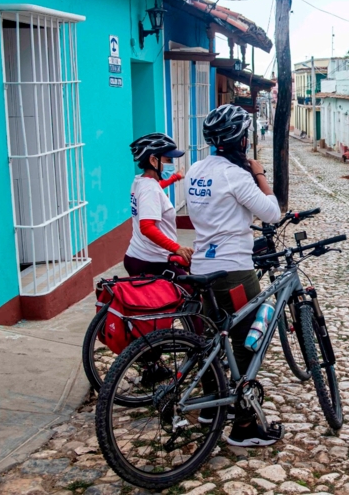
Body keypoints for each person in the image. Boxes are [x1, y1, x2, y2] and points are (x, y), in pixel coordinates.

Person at [186, 104, 283, 447]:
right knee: (247, 338)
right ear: (241, 141)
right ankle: (243, 425)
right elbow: (272, 212)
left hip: (200, 268)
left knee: (212, 340)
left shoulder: (195, 171)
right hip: (233, 272)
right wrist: (259, 173)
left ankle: (212, 406)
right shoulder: (237, 176)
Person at [125, 133, 193, 276]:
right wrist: (177, 248)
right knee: (190, 292)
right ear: (153, 160)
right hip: (151, 261)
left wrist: (175, 178)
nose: (171, 164)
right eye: (168, 160)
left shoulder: (141, 181)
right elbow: (147, 227)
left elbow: (158, 185)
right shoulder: (150, 189)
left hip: (139, 256)